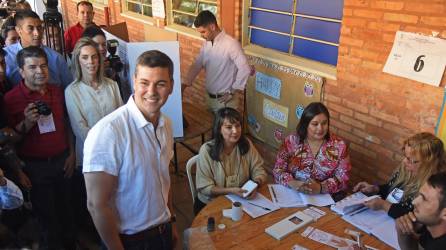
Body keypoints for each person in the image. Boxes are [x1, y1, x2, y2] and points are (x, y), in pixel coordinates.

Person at [83, 50, 178, 249]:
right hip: (130, 241)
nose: (151, 91)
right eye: (144, 83)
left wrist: (172, 222)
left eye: (160, 84)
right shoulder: (108, 132)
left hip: (163, 232)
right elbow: (96, 204)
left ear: (171, 86)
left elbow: (163, 177)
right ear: (134, 81)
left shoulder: (166, 125)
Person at [3, 46, 76, 249]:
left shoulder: (58, 91)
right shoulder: (11, 99)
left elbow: (66, 123)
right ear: (21, 71)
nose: (39, 71)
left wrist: (71, 154)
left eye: (43, 66)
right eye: (32, 67)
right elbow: (10, 141)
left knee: (68, 210)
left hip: (63, 161)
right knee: (47, 217)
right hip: (36, 168)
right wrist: (26, 122)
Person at [353, 132, 445, 219]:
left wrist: (383, 205)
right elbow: (392, 189)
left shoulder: (434, 187)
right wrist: (376, 189)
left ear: (429, 163)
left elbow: (415, 217)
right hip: (383, 220)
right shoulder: (406, 169)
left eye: (411, 160)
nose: (404, 161)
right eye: (405, 156)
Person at [195, 107, 267, 213]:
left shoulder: (245, 144)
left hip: (240, 201)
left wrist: (255, 184)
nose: (235, 131)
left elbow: (259, 169)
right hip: (210, 204)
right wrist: (230, 191)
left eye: (238, 126)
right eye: (229, 127)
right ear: (219, 129)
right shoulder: (206, 150)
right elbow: (205, 187)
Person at [273, 102, 351, 198]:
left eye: (324, 123)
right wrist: (291, 182)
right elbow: (278, 169)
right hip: (293, 194)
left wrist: (321, 187)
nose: (320, 128)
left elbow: (343, 178)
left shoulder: (339, 146)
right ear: (306, 124)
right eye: (315, 124)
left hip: (323, 199)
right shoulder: (292, 141)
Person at [183, 10, 251, 113]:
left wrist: (232, 91)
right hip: (210, 99)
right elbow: (197, 64)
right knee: (213, 128)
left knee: (224, 129)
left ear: (212, 27)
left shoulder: (231, 44)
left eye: (203, 32)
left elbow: (245, 68)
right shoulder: (207, 44)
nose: (201, 35)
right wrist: (184, 84)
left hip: (225, 102)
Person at [5, 10, 72, 88]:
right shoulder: (6, 57)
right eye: (31, 28)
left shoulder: (56, 58)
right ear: (18, 30)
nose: (37, 33)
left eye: (39, 28)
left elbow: (69, 89)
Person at [396, 172, 446, 250]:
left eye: (424, 199)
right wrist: (403, 233)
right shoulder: (430, 228)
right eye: (419, 195)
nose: (414, 202)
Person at [82, 25, 132, 102]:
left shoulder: (109, 68)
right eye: (96, 45)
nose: (102, 48)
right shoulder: (83, 76)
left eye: (104, 44)